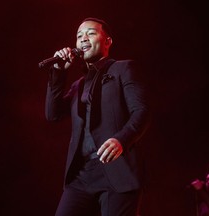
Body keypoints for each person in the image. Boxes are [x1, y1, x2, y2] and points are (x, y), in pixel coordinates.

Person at [45, 17, 150, 216]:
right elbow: (53, 114)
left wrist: (121, 140)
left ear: (108, 41)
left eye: (91, 33)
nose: (83, 38)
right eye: (78, 36)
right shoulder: (78, 85)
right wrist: (58, 73)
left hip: (117, 172)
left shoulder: (123, 69)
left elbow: (142, 111)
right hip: (81, 176)